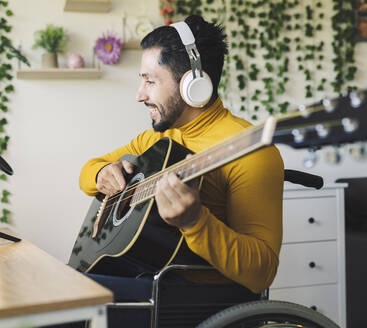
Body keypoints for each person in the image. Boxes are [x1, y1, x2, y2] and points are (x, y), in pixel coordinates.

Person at [75, 15, 284, 327]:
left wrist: (195, 222)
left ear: (192, 84)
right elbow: (86, 171)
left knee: (58, 301)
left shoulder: (250, 150)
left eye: (150, 81)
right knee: (51, 284)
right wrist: (102, 173)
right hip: (144, 275)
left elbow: (262, 272)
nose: (139, 95)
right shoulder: (156, 139)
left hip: (199, 298)